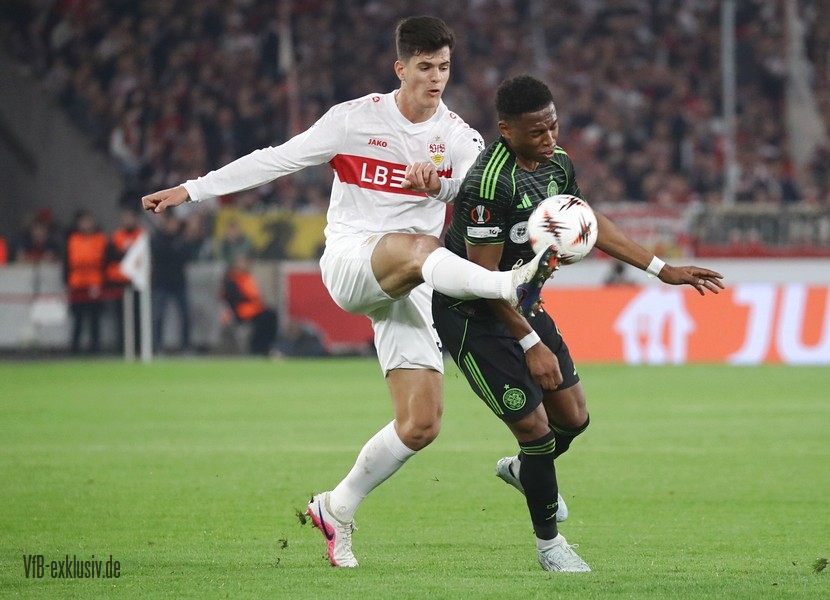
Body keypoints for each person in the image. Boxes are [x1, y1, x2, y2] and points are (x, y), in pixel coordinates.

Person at [140, 16, 558, 568]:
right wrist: (192, 189)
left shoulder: (459, 136)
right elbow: (277, 158)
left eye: (444, 67)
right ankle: (506, 284)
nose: (436, 78)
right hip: (354, 261)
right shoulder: (354, 120)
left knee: (421, 424)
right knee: (420, 245)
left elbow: (479, 185)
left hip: (413, 281)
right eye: (425, 67)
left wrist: (443, 185)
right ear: (400, 68)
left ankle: (336, 507)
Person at [432, 75, 725, 572]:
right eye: (536, 132)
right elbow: (484, 281)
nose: (549, 138)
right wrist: (531, 344)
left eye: (553, 126)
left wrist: (662, 269)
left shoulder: (557, 162)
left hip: (523, 301)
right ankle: (551, 547)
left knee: (573, 419)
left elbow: (588, 219)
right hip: (471, 314)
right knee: (535, 429)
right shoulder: (489, 184)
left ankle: (526, 472)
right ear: (506, 130)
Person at [64, 210, 108, 354]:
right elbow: (68, 262)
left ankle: (95, 348)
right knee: (78, 319)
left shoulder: (100, 239)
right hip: (77, 283)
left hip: (95, 282)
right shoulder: (73, 239)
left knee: (95, 319)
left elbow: (104, 260)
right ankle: (75, 348)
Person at [150, 212, 194, 354]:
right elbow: (161, 254)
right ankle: (158, 346)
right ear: (166, 223)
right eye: (172, 222)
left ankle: (186, 346)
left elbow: (187, 255)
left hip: (178, 282)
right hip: (161, 282)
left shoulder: (181, 239)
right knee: (158, 316)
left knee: (185, 315)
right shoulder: (157, 239)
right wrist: (175, 250)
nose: (174, 226)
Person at [222, 254, 279, 356]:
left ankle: (267, 346)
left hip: (253, 309)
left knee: (271, 315)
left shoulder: (246, 278)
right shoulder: (231, 279)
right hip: (243, 311)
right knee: (266, 318)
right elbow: (235, 298)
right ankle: (259, 347)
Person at [106, 206, 144, 353]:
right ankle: (122, 348)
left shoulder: (141, 236)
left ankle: (139, 348)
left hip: (137, 283)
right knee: (121, 318)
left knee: (138, 318)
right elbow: (110, 258)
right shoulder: (116, 237)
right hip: (119, 283)